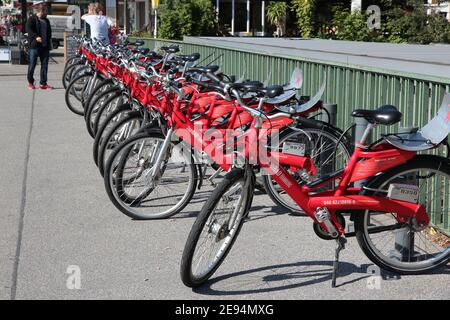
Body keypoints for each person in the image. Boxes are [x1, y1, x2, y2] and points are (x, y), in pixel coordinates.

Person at [25, 3, 53, 90]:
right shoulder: (32, 19)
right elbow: (29, 29)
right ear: (42, 10)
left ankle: (43, 83)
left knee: (44, 65)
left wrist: (49, 42)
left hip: (44, 46)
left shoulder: (46, 20)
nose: (47, 13)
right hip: (34, 46)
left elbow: (49, 32)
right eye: (46, 11)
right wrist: (36, 37)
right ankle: (30, 82)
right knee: (32, 64)